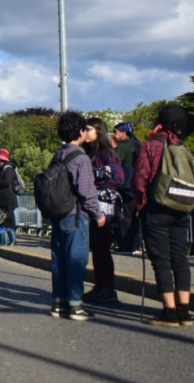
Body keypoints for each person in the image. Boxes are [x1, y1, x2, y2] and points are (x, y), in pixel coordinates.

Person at [132, 105, 194, 327]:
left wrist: (140, 202)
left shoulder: (150, 146)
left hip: (156, 210)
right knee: (180, 258)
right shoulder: (183, 147)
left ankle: (168, 312)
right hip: (181, 208)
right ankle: (184, 311)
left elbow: (139, 181)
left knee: (161, 260)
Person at [49, 111, 106, 321]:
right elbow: (86, 191)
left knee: (59, 260)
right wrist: (98, 214)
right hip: (75, 215)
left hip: (57, 213)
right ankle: (75, 305)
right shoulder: (81, 157)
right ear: (81, 131)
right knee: (76, 260)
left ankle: (58, 303)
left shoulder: (58, 154)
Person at [82, 118, 125, 304]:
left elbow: (118, 178)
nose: (84, 133)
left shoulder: (106, 153)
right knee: (97, 248)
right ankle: (100, 286)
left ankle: (107, 288)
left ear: (99, 131)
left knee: (102, 248)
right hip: (94, 206)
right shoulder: (90, 152)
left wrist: (94, 181)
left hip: (104, 207)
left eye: (88, 129)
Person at [113, 122, 142, 254]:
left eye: (116, 132)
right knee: (134, 215)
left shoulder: (123, 145)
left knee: (124, 215)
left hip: (126, 184)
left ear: (124, 133)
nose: (114, 135)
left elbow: (116, 163)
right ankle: (136, 243)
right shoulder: (135, 144)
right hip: (136, 184)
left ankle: (126, 245)